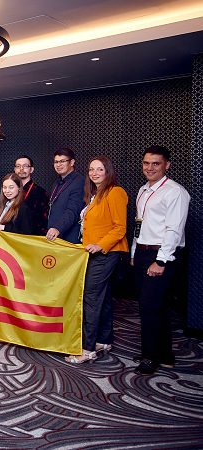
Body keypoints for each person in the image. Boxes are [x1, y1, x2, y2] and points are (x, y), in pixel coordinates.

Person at [131, 146, 189, 375]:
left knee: (148, 305)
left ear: (167, 165)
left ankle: (150, 356)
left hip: (162, 255)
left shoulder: (175, 192)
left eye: (156, 163)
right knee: (158, 306)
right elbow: (139, 224)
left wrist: (161, 261)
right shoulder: (143, 190)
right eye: (146, 163)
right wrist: (134, 253)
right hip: (142, 253)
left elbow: (174, 230)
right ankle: (165, 355)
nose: (150, 167)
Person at [66, 156, 128, 364]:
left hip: (105, 253)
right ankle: (104, 340)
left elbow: (119, 228)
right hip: (93, 253)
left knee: (90, 298)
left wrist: (100, 245)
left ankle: (87, 349)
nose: (94, 173)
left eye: (100, 169)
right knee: (104, 297)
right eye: (91, 169)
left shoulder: (115, 192)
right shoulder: (95, 195)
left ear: (108, 171)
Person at [46, 147, 85, 243]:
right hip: (55, 236)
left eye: (62, 161)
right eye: (56, 162)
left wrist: (57, 228)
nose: (58, 164)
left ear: (72, 162)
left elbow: (73, 211)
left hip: (69, 238)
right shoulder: (57, 182)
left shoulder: (79, 181)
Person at [14, 155, 49, 235]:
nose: (21, 169)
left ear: (31, 169)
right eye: (18, 166)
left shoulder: (40, 192)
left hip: (31, 236)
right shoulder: (10, 191)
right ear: (15, 169)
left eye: (25, 166)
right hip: (11, 234)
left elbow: (43, 221)